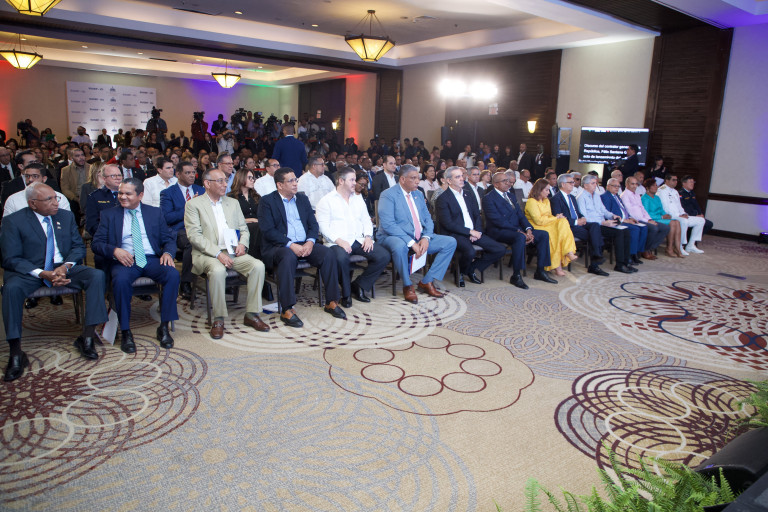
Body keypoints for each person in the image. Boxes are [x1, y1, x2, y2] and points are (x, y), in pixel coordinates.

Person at [1, 183, 108, 381]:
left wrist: (65, 267)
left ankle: (87, 337)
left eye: (56, 198)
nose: (56, 203)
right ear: (33, 203)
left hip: (62, 267)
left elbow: (78, 247)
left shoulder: (65, 216)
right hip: (31, 271)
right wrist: (42, 273)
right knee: (11, 288)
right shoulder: (14, 221)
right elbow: (10, 258)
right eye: (49, 199)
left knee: (96, 276)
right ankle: (16, 352)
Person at [91, 178, 179, 353]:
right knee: (120, 281)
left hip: (151, 258)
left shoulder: (154, 213)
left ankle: (164, 326)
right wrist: (115, 250)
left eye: (128, 193)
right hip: (125, 260)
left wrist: (168, 253)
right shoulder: (109, 215)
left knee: (173, 274)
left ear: (140, 195)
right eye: (120, 193)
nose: (122, 197)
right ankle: (125, 331)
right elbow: (96, 243)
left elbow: (168, 239)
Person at [185, 169, 269, 338]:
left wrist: (242, 244)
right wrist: (218, 253)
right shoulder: (194, 205)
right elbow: (194, 236)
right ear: (207, 183)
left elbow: (243, 228)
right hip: (207, 254)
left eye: (225, 180)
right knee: (217, 270)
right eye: (220, 181)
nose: (225, 184)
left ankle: (252, 314)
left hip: (232, 251)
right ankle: (219, 318)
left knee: (258, 266)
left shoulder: (232, 203)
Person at [257, 167, 346, 327]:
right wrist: (291, 245)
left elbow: (313, 224)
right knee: (288, 256)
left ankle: (331, 302)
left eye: (296, 180)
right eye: (290, 181)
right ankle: (287, 308)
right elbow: (268, 230)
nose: (295, 183)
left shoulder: (302, 199)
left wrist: (310, 241)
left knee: (328, 254)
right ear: (279, 185)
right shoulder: (267, 201)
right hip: (280, 246)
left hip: (305, 243)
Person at [377, 165, 457, 304]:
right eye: (413, 178)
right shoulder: (388, 194)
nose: (417, 181)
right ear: (402, 179)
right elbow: (388, 225)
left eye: (418, 178)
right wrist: (411, 242)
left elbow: (428, 219)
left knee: (450, 242)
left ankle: (427, 281)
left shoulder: (418, 194)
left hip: (419, 237)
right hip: (393, 237)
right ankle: (407, 285)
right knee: (399, 246)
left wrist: (426, 237)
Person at [316, 167, 390, 306]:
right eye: (352, 180)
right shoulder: (326, 200)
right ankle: (346, 294)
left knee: (383, 255)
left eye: (355, 180)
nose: (355, 183)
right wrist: (339, 241)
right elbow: (323, 227)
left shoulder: (357, 198)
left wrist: (368, 236)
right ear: (341, 181)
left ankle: (359, 285)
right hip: (336, 242)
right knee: (341, 258)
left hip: (358, 239)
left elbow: (366, 220)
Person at [483, 172, 556, 288]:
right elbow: (497, 221)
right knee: (520, 237)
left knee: (543, 235)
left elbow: (520, 215)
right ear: (496, 184)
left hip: (516, 228)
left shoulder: (511, 195)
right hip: (498, 231)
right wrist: (519, 231)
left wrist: (528, 229)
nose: (508, 183)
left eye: (508, 181)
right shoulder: (488, 198)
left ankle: (540, 271)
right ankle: (516, 275)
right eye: (504, 181)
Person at [436, 167, 505, 286]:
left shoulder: (468, 194)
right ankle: (461, 272)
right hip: (456, 233)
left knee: (499, 249)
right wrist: (469, 232)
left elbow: (477, 215)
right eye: (457, 177)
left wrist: (477, 231)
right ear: (449, 181)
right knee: (470, 252)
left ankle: (470, 269)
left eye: (462, 176)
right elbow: (448, 223)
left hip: (474, 231)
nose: (462, 178)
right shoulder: (442, 199)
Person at [160, 161, 205, 298]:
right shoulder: (168, 193)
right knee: (193, 242)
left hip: (202, 227)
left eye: (193, 172)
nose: (192, 175)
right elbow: (167, 218)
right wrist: (189, 206)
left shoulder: (201, 190)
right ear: (178, 174)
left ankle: (222, 277)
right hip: (180, 230)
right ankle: (185, 282)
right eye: (187, 173)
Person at [550, 174, 610, 276]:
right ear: (563, 184)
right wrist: (576, 222)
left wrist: (582, 218)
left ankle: (596, 257)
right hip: (568, 227)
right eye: (571, 182)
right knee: (594, 235)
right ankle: (594, 264)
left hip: (578, 223)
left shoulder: (572, 197)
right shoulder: (556, 199)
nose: (573, 184)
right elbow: (559, 218)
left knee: (595, 226)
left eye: (573, 182)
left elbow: (578, 213)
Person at [576, 174, 636, 273]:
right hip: (593, 225)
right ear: (585, 185)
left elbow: (604, 210)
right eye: (593, 183)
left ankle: (626, 262)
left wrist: (612, 216)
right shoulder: (581, 197)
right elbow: (584, 217)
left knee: (625, 231)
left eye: (596, 183)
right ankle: (620, 265)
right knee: (619, 233)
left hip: (602, 223)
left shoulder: (596, 195)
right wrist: (603, 222)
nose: (595, 185)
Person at [524, 178, 578, 277]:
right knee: (554, 235)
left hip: (547, 223)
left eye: (549, 190)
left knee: (563, 221)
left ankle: (568, 251)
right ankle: (558, 266)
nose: (549, 192)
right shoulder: (531, 202)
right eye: (547, 190)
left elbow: (549, 216)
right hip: (536, 226)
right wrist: (555, 218)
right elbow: (538, 220)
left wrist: (557, 217)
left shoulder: (546, 201)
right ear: (539, 190)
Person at [620, 175, 670, 259]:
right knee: (654, 228)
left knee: (665, 228)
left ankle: (647, 247)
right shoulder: (625, 195)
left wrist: (649, 219)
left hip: (644, 219)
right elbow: (631, 212)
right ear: (626, 184)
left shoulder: (636, 194)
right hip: (635, 220)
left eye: (636, 184)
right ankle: (645, 250)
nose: (635, 186)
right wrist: (647, 221)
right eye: (632, 184)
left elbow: (642, 209)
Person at [602, 177, 648, 266]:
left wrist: (630, 218)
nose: (616, 188)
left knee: (643, 228)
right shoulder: (605, 197)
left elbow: (624, 210)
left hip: (625, 219)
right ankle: (630, 255)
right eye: (614, 186)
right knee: (635, 229)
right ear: (608, 186)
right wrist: (624, 220)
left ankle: (636, 253)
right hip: (616, 221)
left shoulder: (617, 196)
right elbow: (607, 214)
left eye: (618, 186)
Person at [656, 173, 706, 255]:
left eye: (676, 180)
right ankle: (679, 246)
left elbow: (679, 206)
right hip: (669, 216)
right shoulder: (661, 190)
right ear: (667, 181)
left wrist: (683, 213)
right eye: (673, 180)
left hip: (679, 215)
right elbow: (665, 207)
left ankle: (691, 245)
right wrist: (678, 215)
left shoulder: (675, 191)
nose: (676, 182)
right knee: (684, 221)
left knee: (701, 220)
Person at [3, 163, 70, 217]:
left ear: (44, 179)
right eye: (27, 176)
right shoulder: (13, 199)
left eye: (35, 176)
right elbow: (8, 225)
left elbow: (66, 221)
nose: (30, 179)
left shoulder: (59, 198)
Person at [642, 178, 684, 258]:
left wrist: (666, 215)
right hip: (653, 219)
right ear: (647, 188)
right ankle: (669, 248)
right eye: (653, 186)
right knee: (672, 223)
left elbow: (661, 209)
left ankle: (677, 248)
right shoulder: (645, 198)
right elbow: (646, 214)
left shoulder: (657, 197)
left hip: (660, 217)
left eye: (656, 185)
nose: (656, 187)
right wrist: (661, 216)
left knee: (677, 222)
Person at [228, 168, 260, 257]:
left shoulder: (256, 196)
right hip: (240, 227)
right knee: (256, 227)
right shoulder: (231, 197)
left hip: (257, 226)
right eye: (250, 178)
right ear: (241, 178)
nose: (253, 180)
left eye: (253, 178)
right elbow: (231, 218)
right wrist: (251, 220)